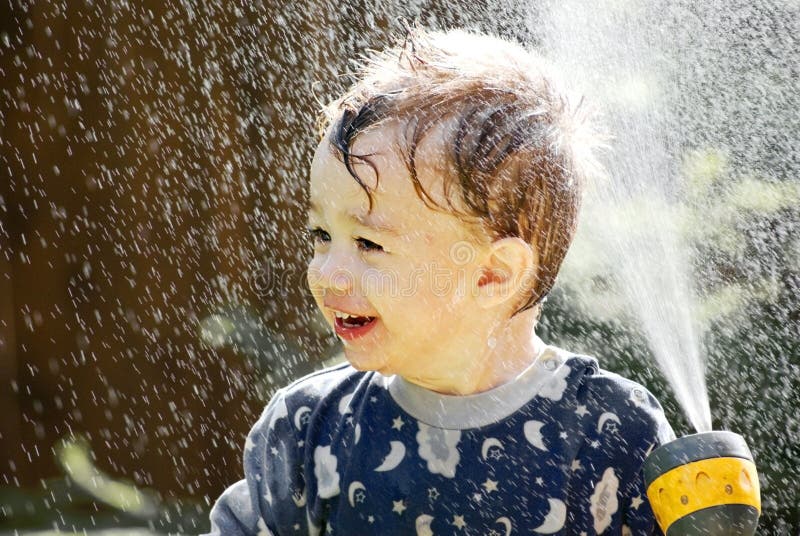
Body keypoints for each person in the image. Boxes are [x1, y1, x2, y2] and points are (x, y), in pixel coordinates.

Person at [205, 26, 675, 535]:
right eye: (322, 234)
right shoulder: (310, 428)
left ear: (493, 275)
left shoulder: (611, 433)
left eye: (368, 243)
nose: (326, 272)